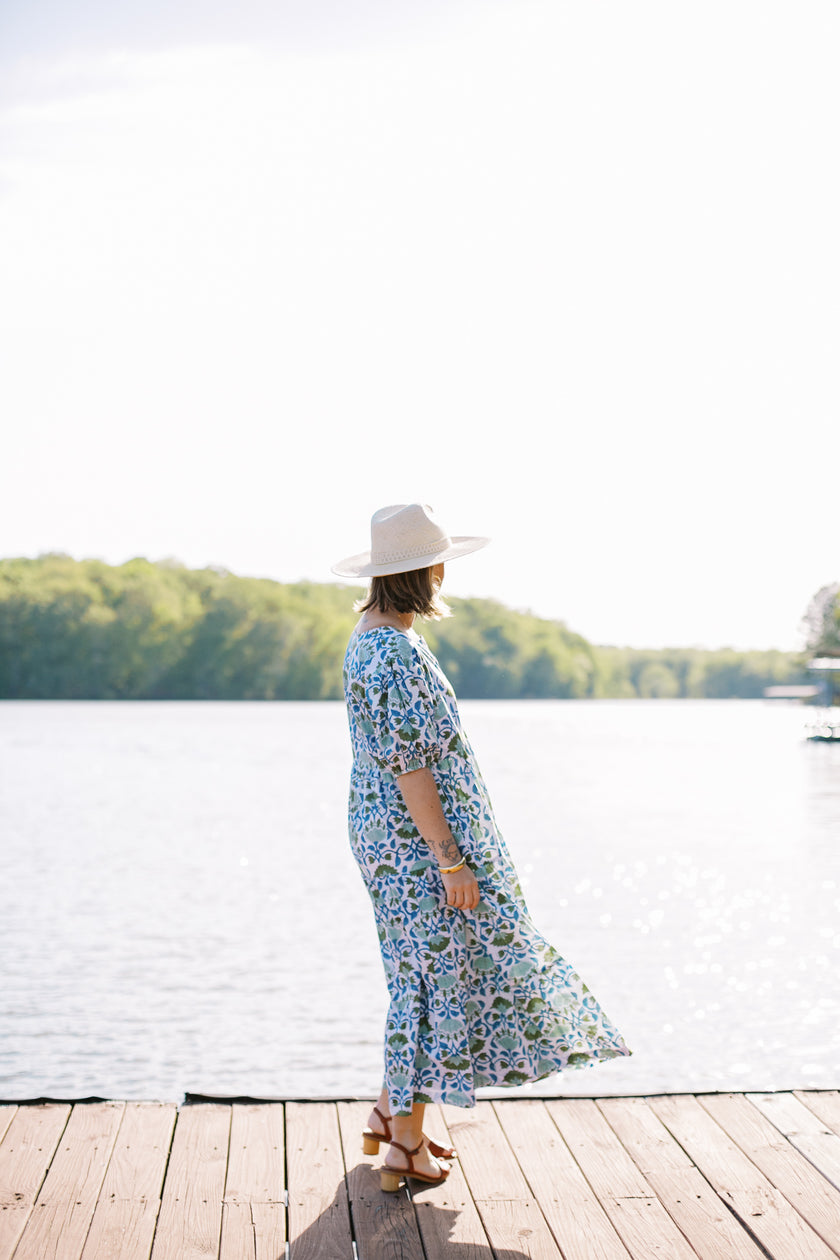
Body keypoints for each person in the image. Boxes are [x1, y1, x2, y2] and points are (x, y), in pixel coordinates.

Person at [332, 504, 630, 1192]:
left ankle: (392, 1108)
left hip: (386, 834)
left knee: (425, 970)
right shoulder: (396, 652)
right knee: (432, 977)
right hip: (414, 841)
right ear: (429, 572)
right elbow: (411, 764)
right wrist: (448, 857)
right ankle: (403, 1142)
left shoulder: (370, 633)